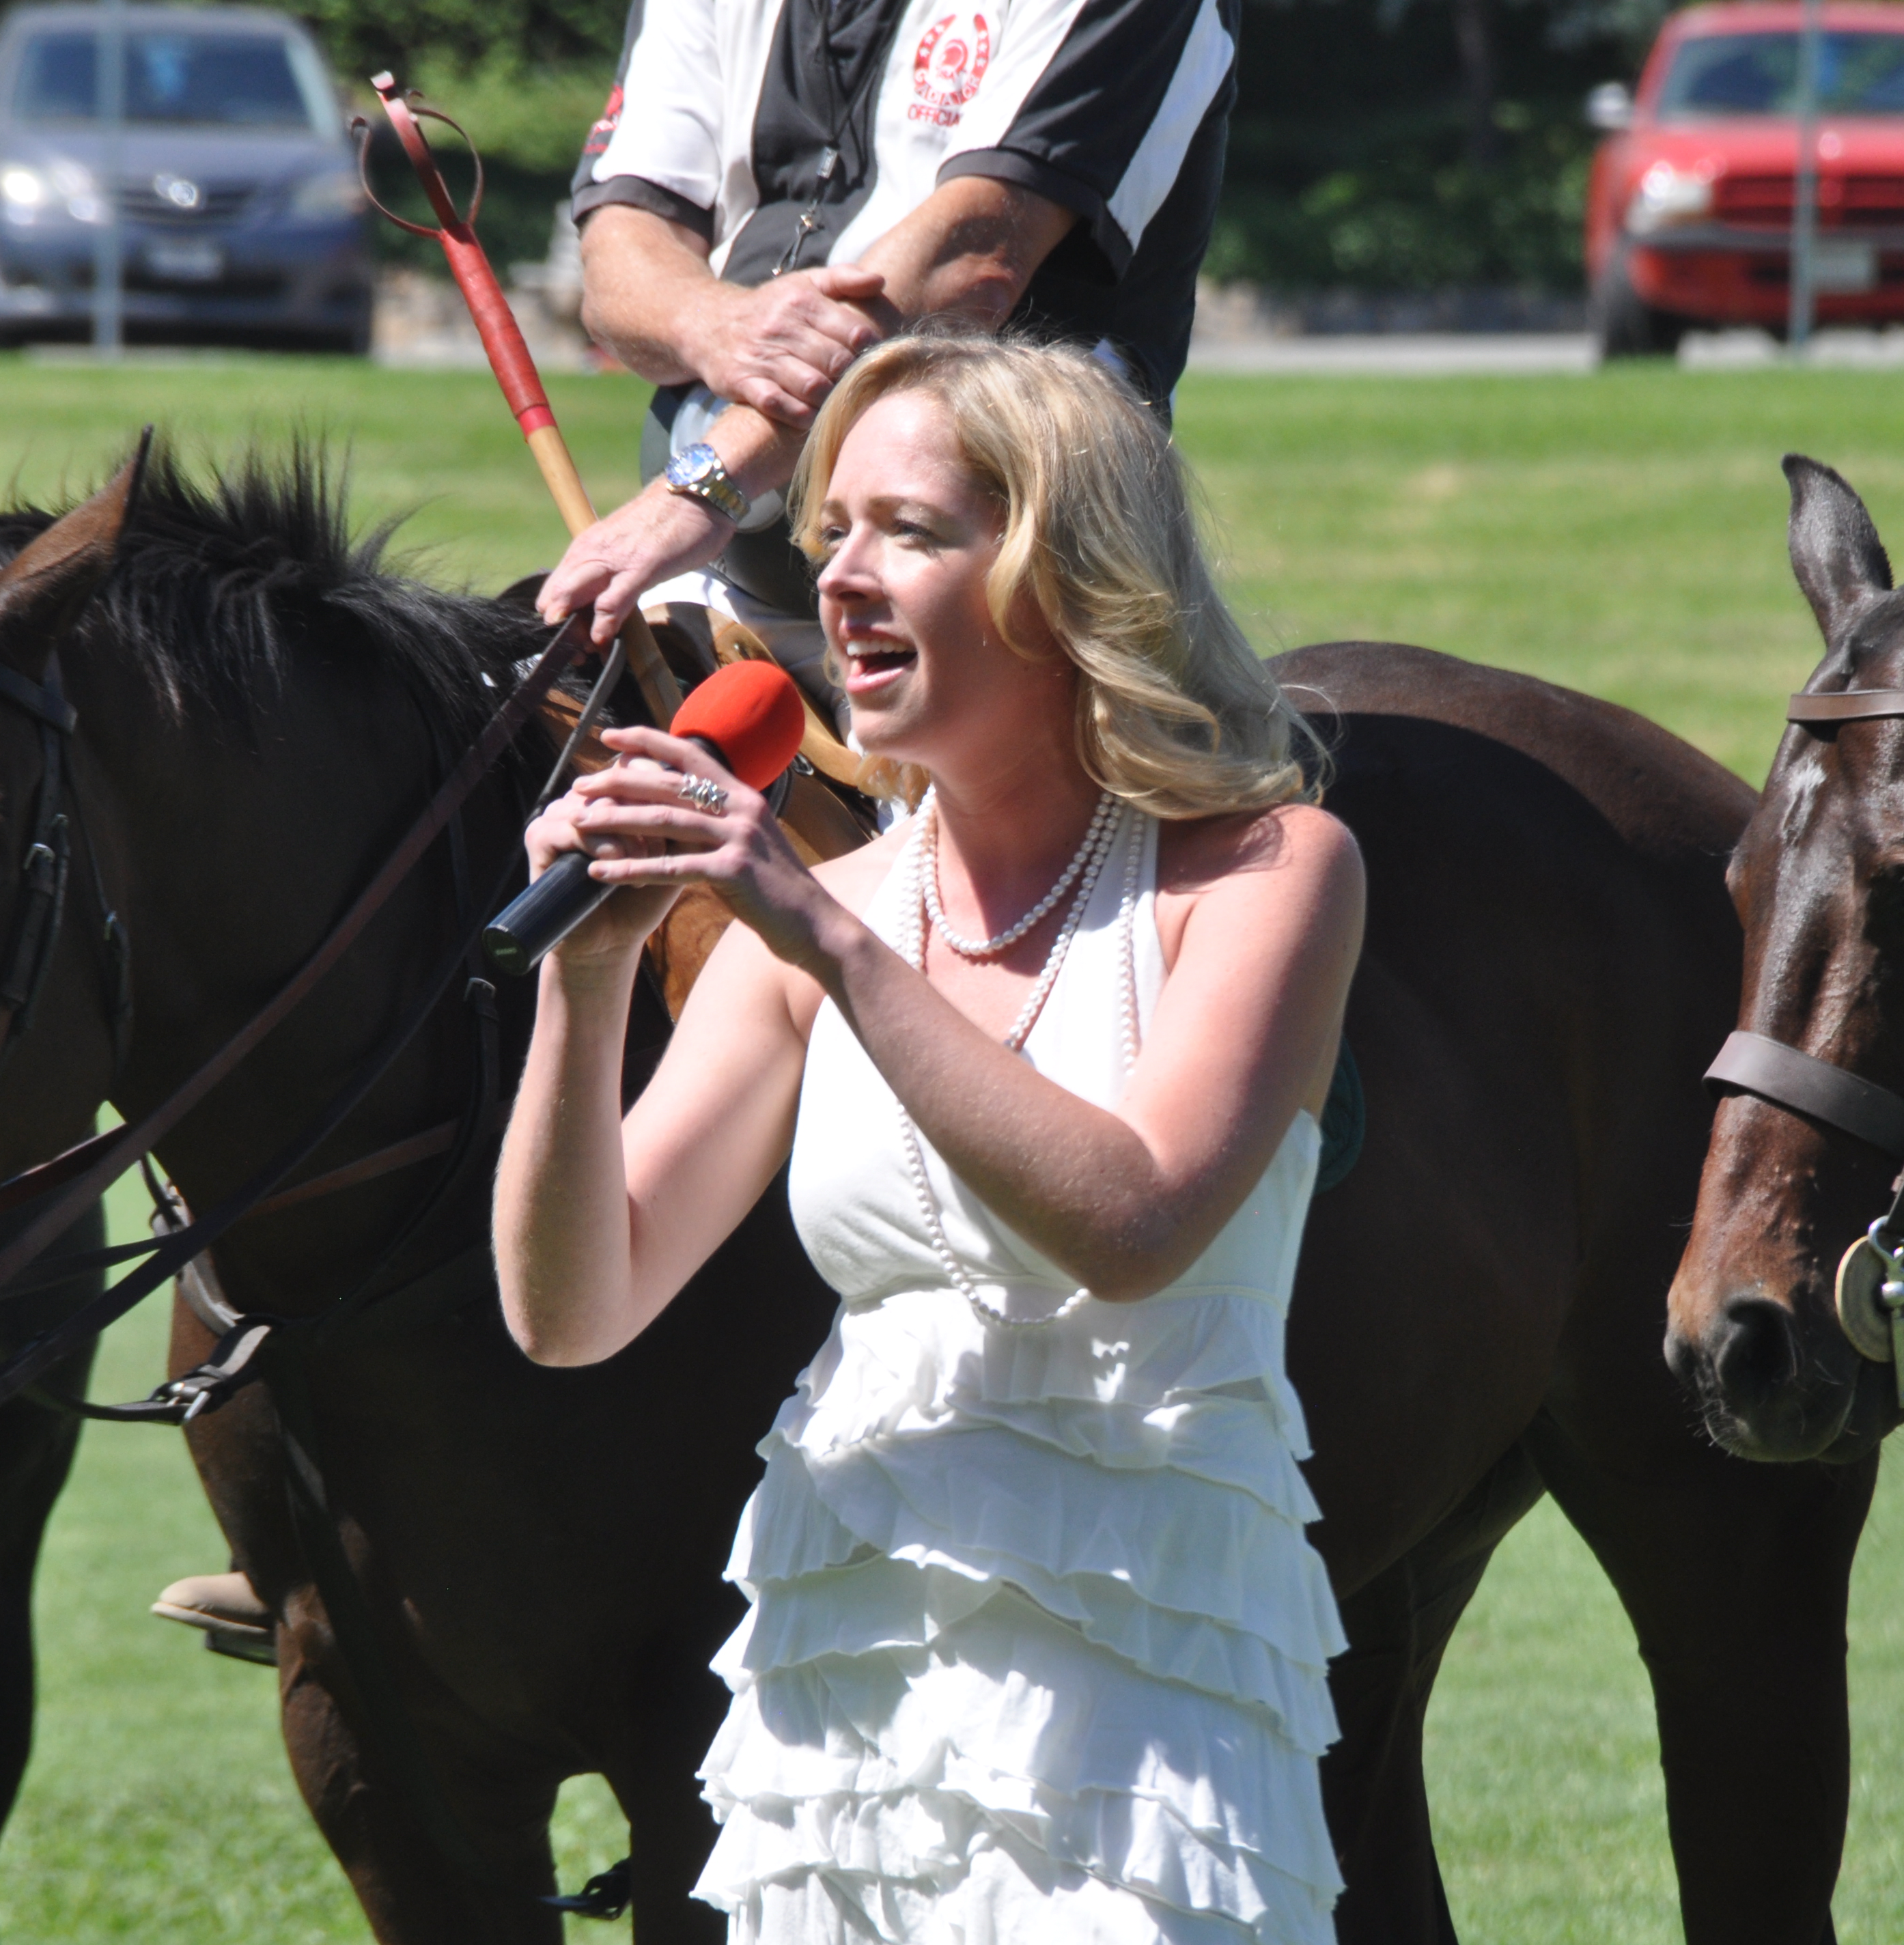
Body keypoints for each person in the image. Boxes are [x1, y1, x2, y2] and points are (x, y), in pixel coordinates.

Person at [494, 333, 1364, 1940]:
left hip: (1145, 1674)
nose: (839, 579)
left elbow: (1132, 1221)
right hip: (852, 1670)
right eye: (829, 533)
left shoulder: (1265, 869)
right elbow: (572, 1303)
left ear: (1061, 567)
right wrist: (587, 976)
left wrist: (826, 939)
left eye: (910, 528)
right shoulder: (821, 922)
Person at [548, 0, 1243, 720]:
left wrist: (703, 490)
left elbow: (974, 260)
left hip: (1002, 612)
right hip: (708, 571)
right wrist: (714, 322)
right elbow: (618, 258)